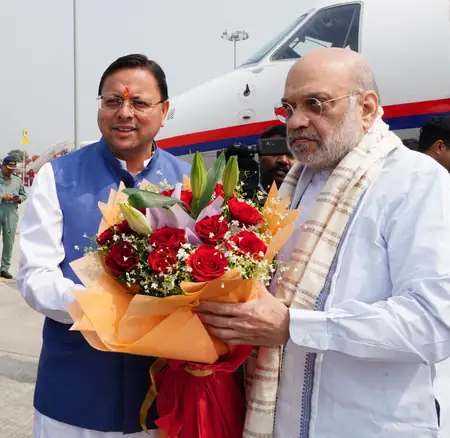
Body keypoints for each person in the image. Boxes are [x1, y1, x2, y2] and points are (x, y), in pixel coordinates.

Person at [196, 47, 450, 437]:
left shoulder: (415, 181)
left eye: (315, 104)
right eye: (288, 108)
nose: (296, 121)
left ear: (367, 108)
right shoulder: (295, 185)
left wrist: (296, 326)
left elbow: (434, 324)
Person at [17, 54, 190, 437]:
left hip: (162, 400)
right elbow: (34, 276)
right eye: (113, 101)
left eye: (139, 102)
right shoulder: (58, 176)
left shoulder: (188, 183)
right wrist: (101, 307)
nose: (124, 113)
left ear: (164, 111)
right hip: (74, 398)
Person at [0, 155, 26, 279]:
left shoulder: (17, 180)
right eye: (8, 168)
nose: (10, 171)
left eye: (12, 169)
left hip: (11, 213)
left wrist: (19, 198)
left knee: (9, 242)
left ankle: (4, 268)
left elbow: (24, 194)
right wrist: (2, 197)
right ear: (2, 166)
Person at [257, 124, 295, 191]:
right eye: (275, 152)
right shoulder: (238, 194)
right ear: (259, 158)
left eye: (291, 154)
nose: (283, 160)